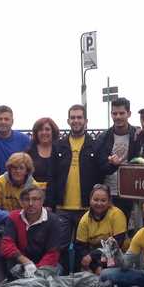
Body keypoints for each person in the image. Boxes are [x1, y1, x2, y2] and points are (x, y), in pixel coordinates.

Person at [56, 104, 99, 247]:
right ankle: (65, 270)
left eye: (79, 117)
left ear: (86, 121)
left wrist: (113, 164)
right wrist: (50, 203)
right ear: (68, 121)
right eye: (73, 118)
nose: (76, 121)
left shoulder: (95, 145)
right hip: (62, 208)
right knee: (60, 247)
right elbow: (52, 175)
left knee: (84, 247)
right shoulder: (59, 145)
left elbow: (102, 171)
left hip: (87, 207)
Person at [0, 186, 63, 275]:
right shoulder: (13, 217)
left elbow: (53, 252)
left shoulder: (53, 220)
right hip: (20, 262)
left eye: (35, 199)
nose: (30, 203)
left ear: (42, 201)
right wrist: (25, 261)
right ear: (21, 202)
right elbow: (6, 245)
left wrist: (36, 271)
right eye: (26, 199)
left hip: (46, 265)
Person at [95, 97, 140, 218]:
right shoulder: (103, 138)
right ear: (111, 114)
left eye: (122, 113)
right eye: (115, 113)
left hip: (131, 191)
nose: (118, 117)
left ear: (129, 114)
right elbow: (99, 166)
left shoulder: (137, 136)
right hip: (109, 193)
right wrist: (112, 164)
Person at [74, 184, 128, 273]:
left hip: (119, 257)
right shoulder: (84, 220)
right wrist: (95, 267)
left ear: (109, 202)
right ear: (90, 200)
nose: (99, 203)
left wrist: (93, 257)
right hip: (95, 261)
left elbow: (117, 244)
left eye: (103, 200)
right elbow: (80, 247)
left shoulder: (117, 214)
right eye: (95, 200)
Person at [0, 105, 31, 176]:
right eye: (0, 119)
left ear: (12, 121)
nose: (3, 122)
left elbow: (30, 165)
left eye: (6, 119)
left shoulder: (24, 140)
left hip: (17, 184)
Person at [28, 117, 61, 206]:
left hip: (57, 200)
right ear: (36, 133)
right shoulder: (29, 152)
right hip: (34, 200)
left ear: (53, 132)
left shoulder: (60, 150)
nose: (44, 132)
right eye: (40, 130)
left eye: (47, 129)